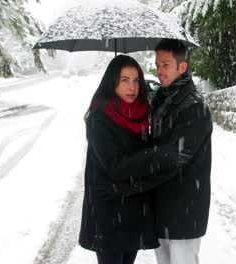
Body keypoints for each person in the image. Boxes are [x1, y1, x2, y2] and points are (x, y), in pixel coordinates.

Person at [107, 39, 213, 264]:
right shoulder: (161, 101)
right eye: (157, 64)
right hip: (161, 207)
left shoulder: (195, 106)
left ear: (181, 67)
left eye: (165, 65)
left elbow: (175, 155)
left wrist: (131, 167)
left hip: (184, 211)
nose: (159, 70)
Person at [78, 55, 159, 264]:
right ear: (112, 82)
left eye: (136, 80)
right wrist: (153, 156)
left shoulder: (142, 114)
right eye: (124, 80)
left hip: (134, 209)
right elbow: (116, 166)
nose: (132, 87)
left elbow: (140, 167)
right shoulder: (100, 117)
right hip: (109, 213)